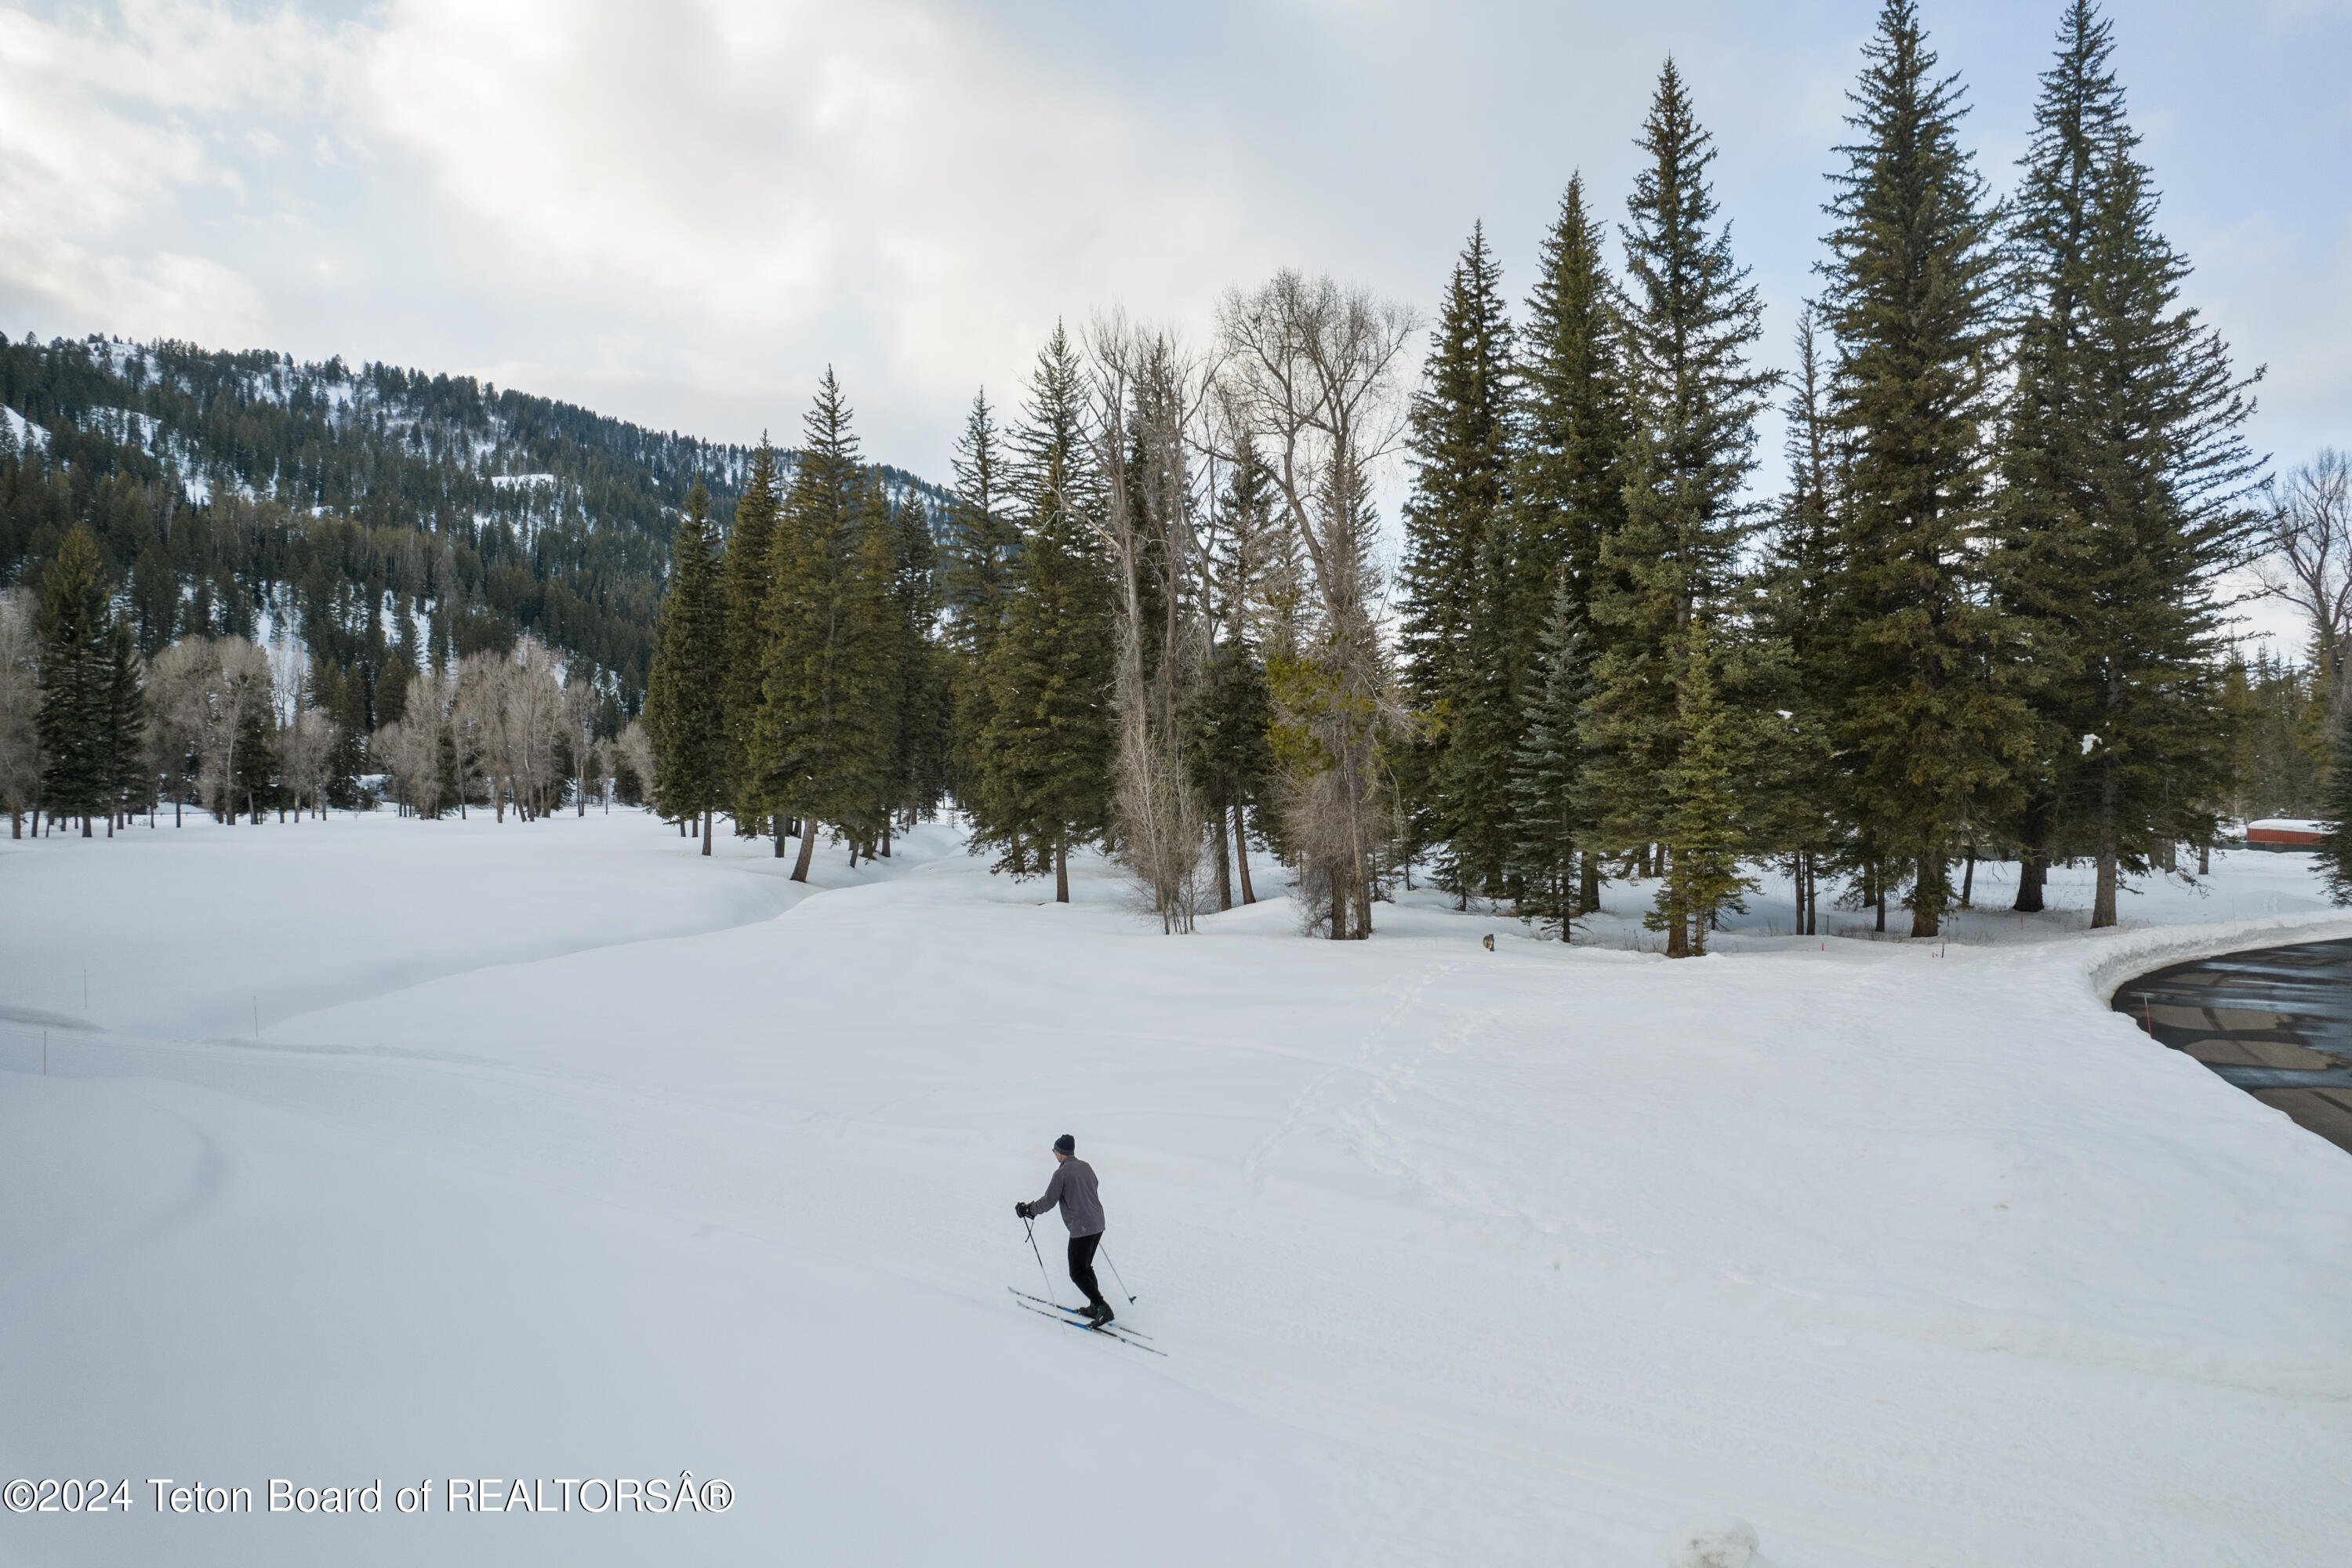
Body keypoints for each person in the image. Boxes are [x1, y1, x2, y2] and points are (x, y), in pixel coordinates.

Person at [1015, 1134, 1111, 1323]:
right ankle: (1095, 1306)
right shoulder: (1086, 1166)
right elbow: (1095, 1185)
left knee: (1076, 1273)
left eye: (1055, 1151)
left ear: (1061, 1152)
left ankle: (1102, 1307)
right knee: (1085, 1268)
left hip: (1082, 1227)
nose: (1055, 1154)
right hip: (1098, 1223)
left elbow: (1049, 1201)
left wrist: (1029, 1210)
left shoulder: (1061, 1173)